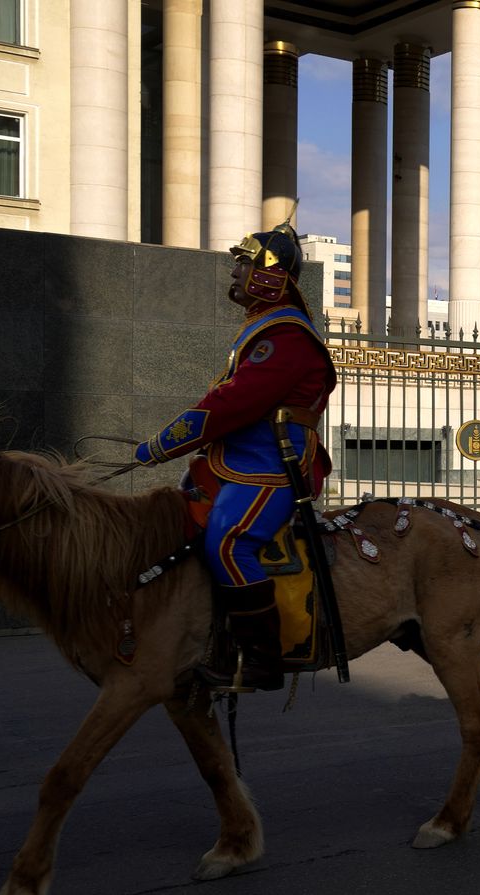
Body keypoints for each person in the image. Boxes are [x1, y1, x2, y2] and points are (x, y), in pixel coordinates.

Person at [132, 221, 336, 692]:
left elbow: (232, 404)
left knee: (229, 542)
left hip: (273, 468)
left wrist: (160, 445)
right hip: (238, 462)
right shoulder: (263, 330)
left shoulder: (286, 337)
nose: (236, 272)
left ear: (272, 273)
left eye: (245, 264)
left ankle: (264, 661)